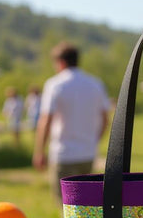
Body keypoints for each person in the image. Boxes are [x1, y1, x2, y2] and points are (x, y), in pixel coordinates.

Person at [33, 41, 111, 202]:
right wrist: (93, 141)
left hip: (63, 153)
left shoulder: (55, 85)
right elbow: (105, 119)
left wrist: (39, 151)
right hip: (88, 153)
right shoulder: (95, 83)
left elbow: (46, 120)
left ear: (60, 62)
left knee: (66, 206)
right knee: (86, 206)